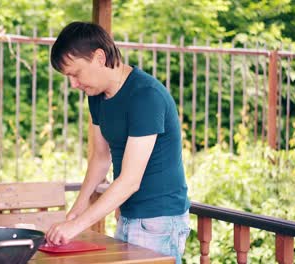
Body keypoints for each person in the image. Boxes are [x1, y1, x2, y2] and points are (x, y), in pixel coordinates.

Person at [46, 21, 190, 263]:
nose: (73, 84)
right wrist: (76, 210)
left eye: (75, 73)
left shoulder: (146, 96)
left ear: (99, 58)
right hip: (127, 215)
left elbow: (131, 180)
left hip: (159, 222)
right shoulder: (97, 96)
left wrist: (77, 226)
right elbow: (101, 158)